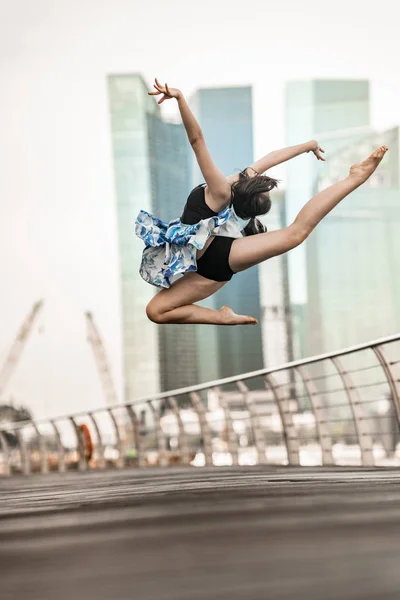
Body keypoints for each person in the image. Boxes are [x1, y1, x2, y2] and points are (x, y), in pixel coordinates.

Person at [136, 78, 388, 326]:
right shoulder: (230, 186)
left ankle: (354, 178)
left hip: (214, 263)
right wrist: (307, 145)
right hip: (212, 264)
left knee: (295, 235)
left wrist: (180, 100)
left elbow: (198, 141)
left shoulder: (226, 189)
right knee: (155, 311)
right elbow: (269, 156)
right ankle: (221, 316)